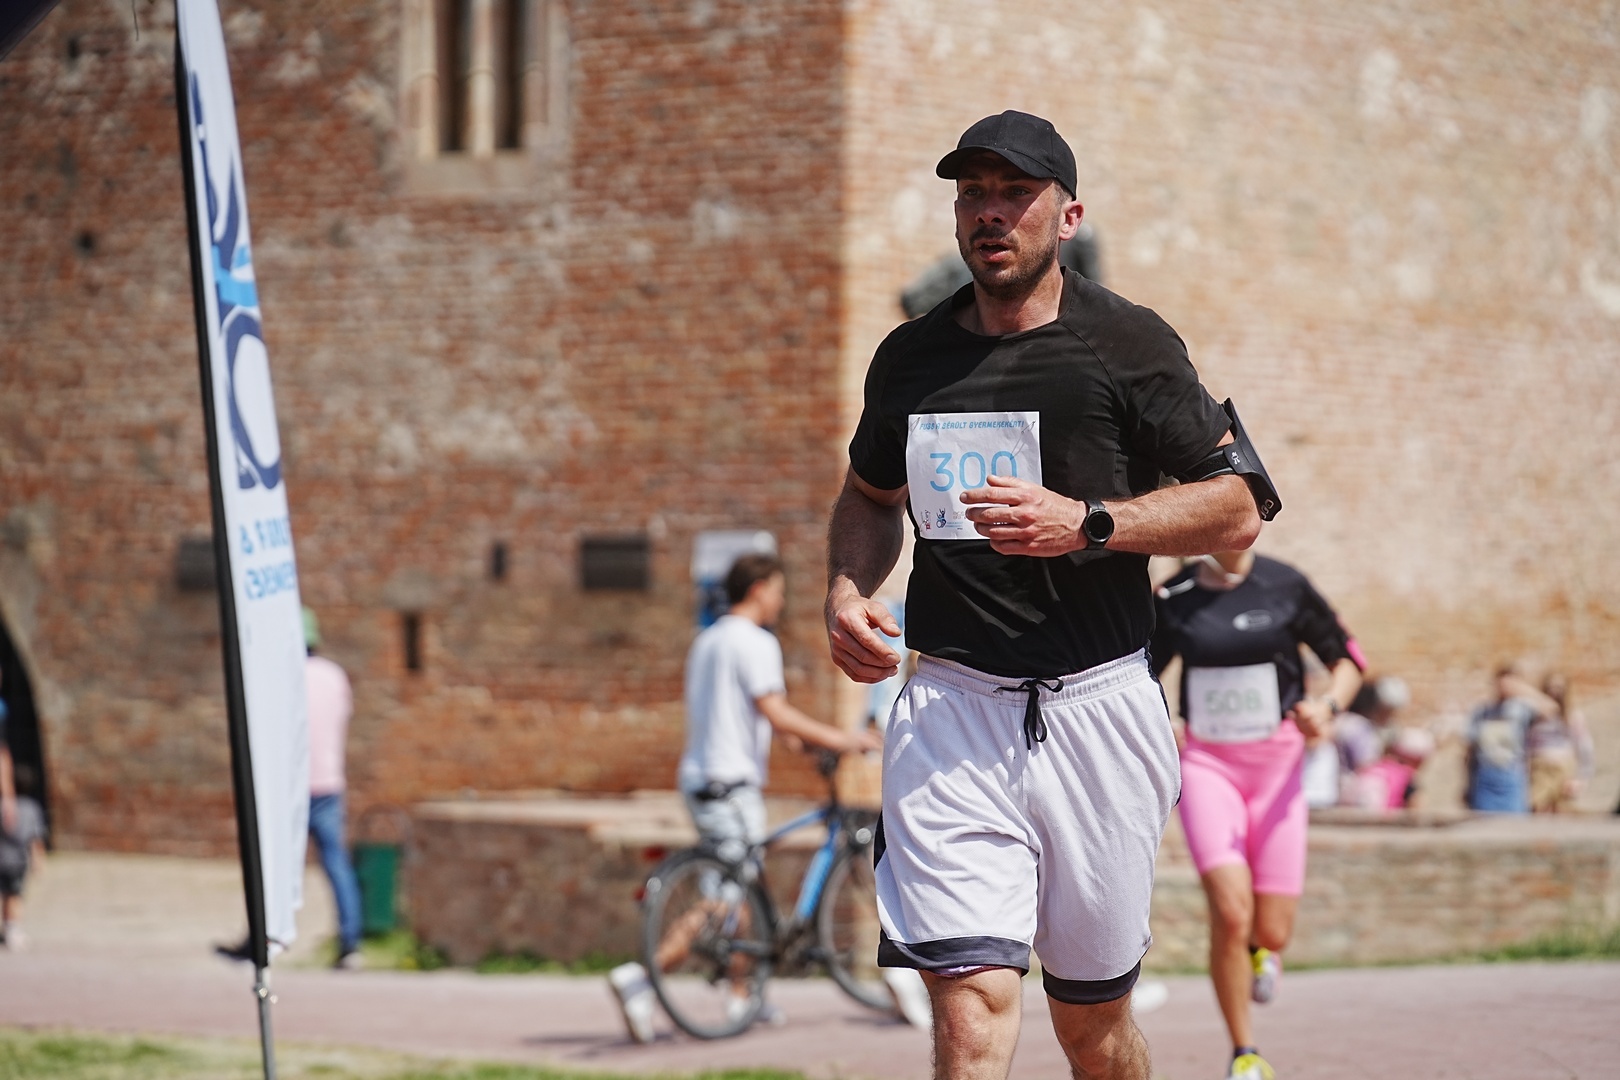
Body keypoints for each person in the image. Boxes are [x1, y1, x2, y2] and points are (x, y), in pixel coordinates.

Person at [825, 110, 1265, 1080]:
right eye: (972, 194)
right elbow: (869, 495)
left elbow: (1240, 506)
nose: (990, 213)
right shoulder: (910, 358)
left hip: (1096, 708)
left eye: (1014, 193)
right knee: (970, 1010)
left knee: (1092, 1030)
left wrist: (1090, 523)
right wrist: (848, 589)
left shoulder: (1128, 343)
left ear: (1068, 216)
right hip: (953, 709)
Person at [609, 553, 883, 1044]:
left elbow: (750, 713)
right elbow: (774, 711)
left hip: (700, 777)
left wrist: (803, 746)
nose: (781, 602)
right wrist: (844, 739)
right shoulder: (755, 642)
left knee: (743, 888)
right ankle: (643, 976)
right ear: (758, 589)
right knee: (726, 896)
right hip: (731, 785)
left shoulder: (708, 639)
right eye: (778, 591)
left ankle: (743, 996)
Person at [1152, 550, 1361, 1080]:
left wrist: (1327, 709)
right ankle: (1244, 1052)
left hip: (1279, 769)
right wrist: (1161, 718)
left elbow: (1347, 660)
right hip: (1207, 765)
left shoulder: (1284, 584)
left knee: (1272, 930)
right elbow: (1138, 674)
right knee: (1230, 911)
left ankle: (1261, 950)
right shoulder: (1174, 596)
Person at [219, 607, 363, 969]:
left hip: (288, 787)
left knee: (273, 868)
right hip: (328, 781)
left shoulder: (279, 676)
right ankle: (351, 941)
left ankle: (261, 937)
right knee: (336, 864)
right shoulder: (334, 676)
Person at [1465, 663, 1540, 813]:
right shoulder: (1482, 712)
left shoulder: (1523, 709)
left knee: (1515, 824)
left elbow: (1552, 709)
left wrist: (1523, 689)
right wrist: (1467, 783)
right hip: (1485, 776)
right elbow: (1469, 750)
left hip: (1512, 775)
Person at [1526, 672, 1594, 814]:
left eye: (1559, 688)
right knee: (1538, 810)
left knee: (1563, 812)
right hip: (1539, 770)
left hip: (1564, 770)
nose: (1554, 692)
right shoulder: (1533, 716)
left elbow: (1585, 748)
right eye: (1550, 687)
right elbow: (1526, 745)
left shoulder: (1572, 716)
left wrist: (1581, 779)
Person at [0, 762, 46, 950]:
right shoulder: (31, 808)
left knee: (3, 895)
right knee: (14, 896)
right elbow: (35, 839)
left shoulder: (4, 806)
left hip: (1, 858)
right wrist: (38, 862)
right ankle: (12, 930)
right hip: (18, 861)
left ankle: (6, 928)